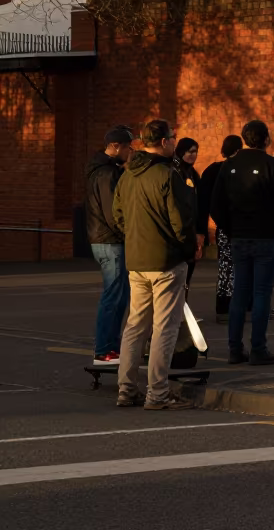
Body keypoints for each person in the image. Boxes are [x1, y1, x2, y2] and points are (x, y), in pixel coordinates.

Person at [112, 119, 198, 410]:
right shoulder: (166, 175)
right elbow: (180, 221)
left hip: (136, 258)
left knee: (135, 325)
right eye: (173, 138)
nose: (175, 142)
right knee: (164, 328)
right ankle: (158, 392)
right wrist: (187, 249)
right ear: (163, 142)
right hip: (165, 260)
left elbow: (118, 216)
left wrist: (135, 237)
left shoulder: (127, 175)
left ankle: (126, 388)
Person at [211, 119, 274, 366]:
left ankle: (234, 348)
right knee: (261, 294)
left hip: (239, 237)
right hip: (266, 238)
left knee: (240, 292)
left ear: (244, 139)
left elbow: (216, 205)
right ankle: (258, 347)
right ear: (266, 139)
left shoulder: (229, 167)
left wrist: (231, 228)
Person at [85, 125, 134, 366]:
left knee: (119, 294)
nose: (130, 151)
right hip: (110, 241)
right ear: (116, 147)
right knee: (114, 295)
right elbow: (113, 212)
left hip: (104, 239)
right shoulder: (107, 174)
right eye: (127, 147)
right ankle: (105, 349)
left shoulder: (101, 169)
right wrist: (128, 233)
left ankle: (110, 348)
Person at [200, 134, 243, 323]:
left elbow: (208, 203)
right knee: (239, 268)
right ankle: (236, 305)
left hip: (225, 228)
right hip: (235, 228)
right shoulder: (235, 171)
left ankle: (224, 306)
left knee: (226, 269)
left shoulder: (213, 171)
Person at [173, 138, 201, 285]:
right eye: (189, 151)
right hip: (180, 233)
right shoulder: (175, 172)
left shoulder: (193, 174)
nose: (192, 155)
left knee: (187, 279)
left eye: (195, 152)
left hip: (191, 230)